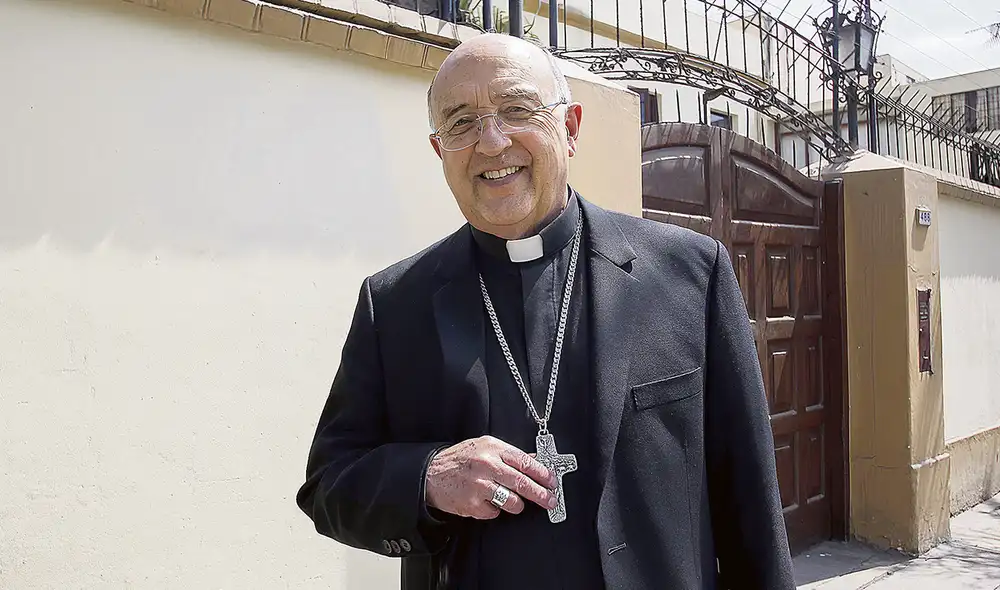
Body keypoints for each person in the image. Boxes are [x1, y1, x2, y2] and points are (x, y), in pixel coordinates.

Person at [296, 33, 795, 590]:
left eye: (516, 109)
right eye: (461, 123)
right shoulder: (393, 303)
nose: (491, 141)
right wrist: (429, 478)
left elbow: (749, 500)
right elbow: (328, 485)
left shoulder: (690, 274)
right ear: (441, 152)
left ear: (571, 127)